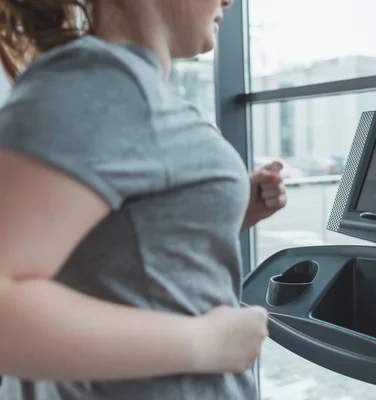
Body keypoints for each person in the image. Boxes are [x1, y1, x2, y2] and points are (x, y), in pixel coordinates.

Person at [0, 0, 288, 399]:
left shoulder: (124, 82)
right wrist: (205, 342)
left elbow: (108, 245)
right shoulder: (100, 81)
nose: (229, 1)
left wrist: (222, 212)